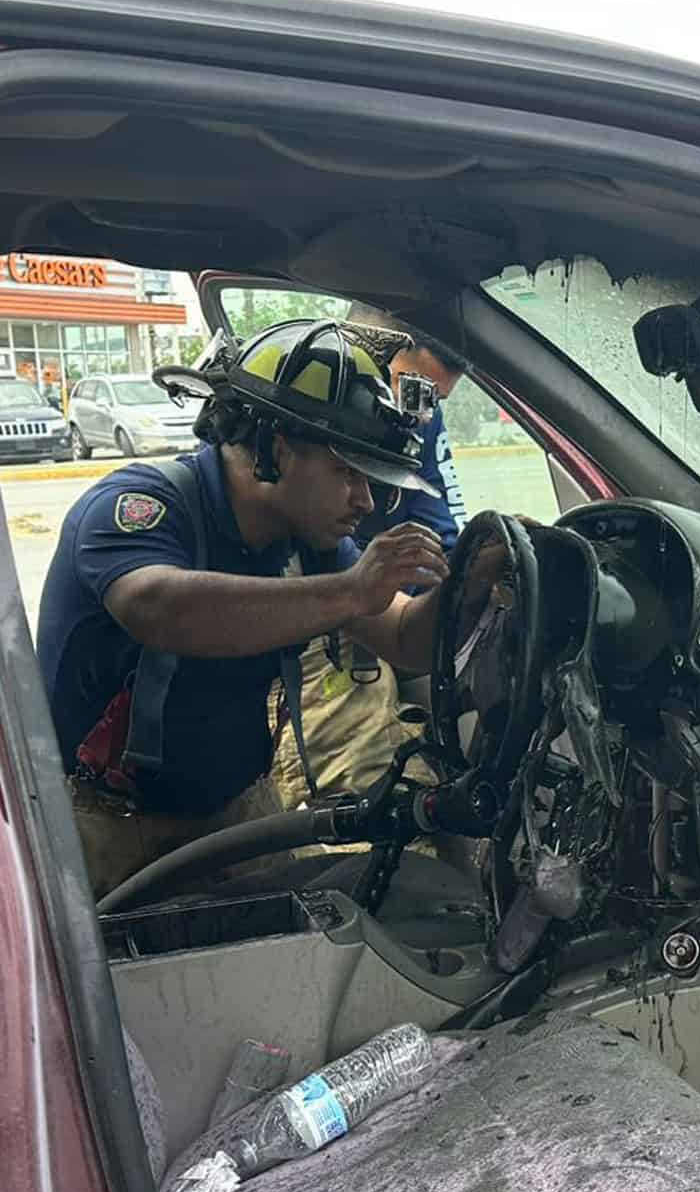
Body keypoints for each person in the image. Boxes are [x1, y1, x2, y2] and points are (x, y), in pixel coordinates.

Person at [37, 318, 450, 895]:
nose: (365, 499)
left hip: (233, 813)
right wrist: (353, 589)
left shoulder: (310, 544)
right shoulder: (138, 506)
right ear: (278, 451)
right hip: (101, 826)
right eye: (348, 472)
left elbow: (406, 637)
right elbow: (158, 607)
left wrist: (473, 584)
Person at [270, 322, 474, 808]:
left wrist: (471, 570)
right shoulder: (165, 511)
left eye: (435, 398)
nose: (420, 409)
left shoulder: (419, 419)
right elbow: (155, 603)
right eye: (413, 387)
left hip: (367, 611)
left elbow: (437, 520)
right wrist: (355, 589)